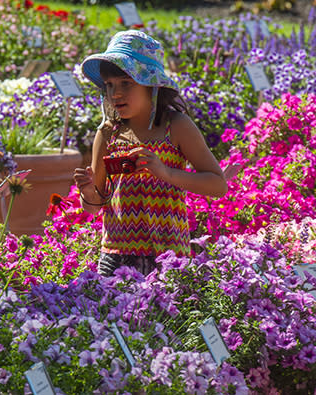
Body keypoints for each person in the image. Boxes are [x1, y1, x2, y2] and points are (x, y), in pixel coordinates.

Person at [73, 30, 227, 277]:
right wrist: (89, 190)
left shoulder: (175, 126)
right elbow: (95, 205)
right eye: (110, 85)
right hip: (115, 257)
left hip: (168, 257)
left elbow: (218, 185)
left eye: (126, 83)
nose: (116, 94)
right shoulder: (107, 133)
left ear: (151, 85)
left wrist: (166, 172)